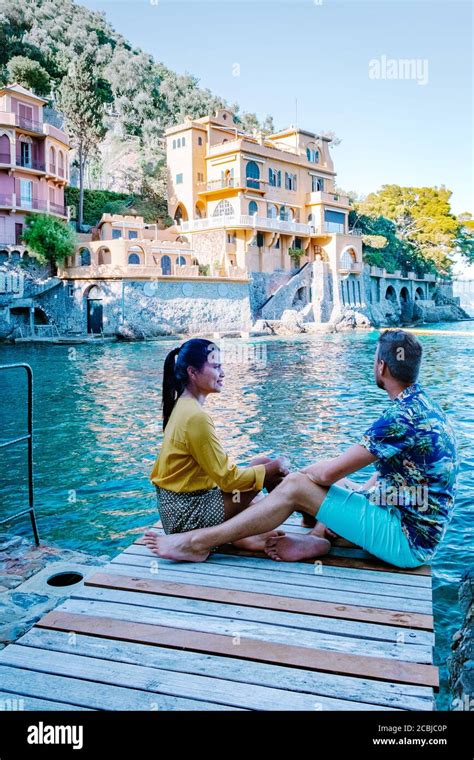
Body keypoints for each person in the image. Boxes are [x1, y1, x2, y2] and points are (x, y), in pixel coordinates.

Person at [144, 330, 458, 568]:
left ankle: (197, 542)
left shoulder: (398, 418)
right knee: (337, 486)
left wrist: (296, 477)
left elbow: (328, 472)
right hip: (410, 520)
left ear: (381, 367)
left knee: (301, 484)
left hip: (406, 540)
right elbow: (386, 474)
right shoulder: (424, 405)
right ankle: (316, 536)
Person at [145, 338, 331, 556]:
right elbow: (228, 480)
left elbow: (221, 477)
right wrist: (276, 467)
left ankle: (269, 531)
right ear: (193, 372)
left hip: (176, 511)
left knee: (261, 466)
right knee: (268, 470)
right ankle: (310, 523)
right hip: (187, 517)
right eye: (216, 367)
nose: (222, 373)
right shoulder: (195, 417)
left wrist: (266, 471)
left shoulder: (183, 406)